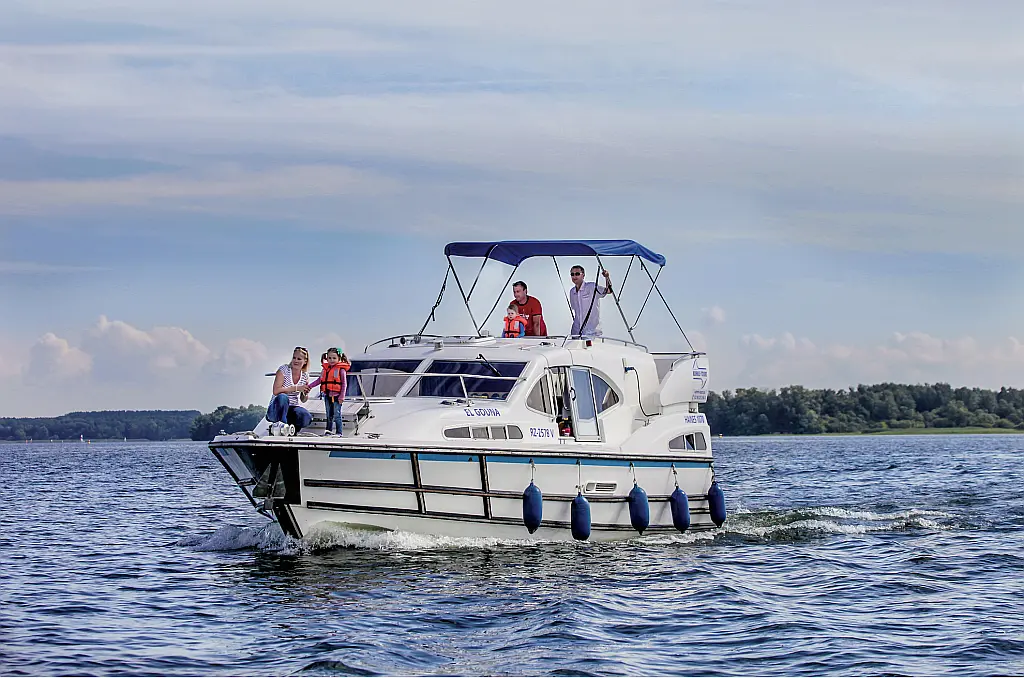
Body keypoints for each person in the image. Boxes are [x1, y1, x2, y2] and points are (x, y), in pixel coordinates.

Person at [267, 346, 313, 434]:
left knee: (306, 417)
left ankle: (292, 430)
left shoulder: (305, 375)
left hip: (292, 408)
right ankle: (281, 427)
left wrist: (305, 393)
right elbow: (276, 391)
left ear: (305, 361)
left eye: (299, 359)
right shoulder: (283, 370)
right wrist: (296, 388)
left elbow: (303, 400)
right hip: (276, 409)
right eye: (294, 358)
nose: (295, 361)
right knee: (283, 397)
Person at [306, 348, 350, 436]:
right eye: (329, 358)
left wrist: (342, 396)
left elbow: (344, 384)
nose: (331, 360)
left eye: (334, 358)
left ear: (339, 358)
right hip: (327, 395)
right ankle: (328, 431)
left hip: (337, 396)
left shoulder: (341, 370)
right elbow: (319, 380)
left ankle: (339, 432)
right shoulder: (325, 369)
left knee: (337, 414)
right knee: (329, 415)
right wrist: (309, 386)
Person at [569, 265, 613, 337]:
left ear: (583, 275)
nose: (574, 276)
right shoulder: (572, 292)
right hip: (576, 332)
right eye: (572, 274)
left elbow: (609, 290)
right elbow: (575, 309)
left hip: (592, 332)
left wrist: (607, 277)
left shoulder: (591, 287)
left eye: (577, 274)